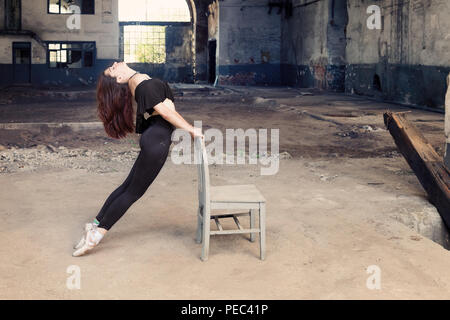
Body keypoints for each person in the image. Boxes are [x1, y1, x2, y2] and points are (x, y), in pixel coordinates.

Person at [72, 61, 204, 257]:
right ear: (118, 78)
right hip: (156, 143)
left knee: (127, 187)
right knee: (132, 192)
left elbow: (162, 111)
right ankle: (96, 236)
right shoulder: (144, 85)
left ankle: (94, 225)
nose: (115, 63)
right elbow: (167, 112)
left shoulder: (140, 83)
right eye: (112, 68)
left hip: (153, 139)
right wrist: (191, 130)